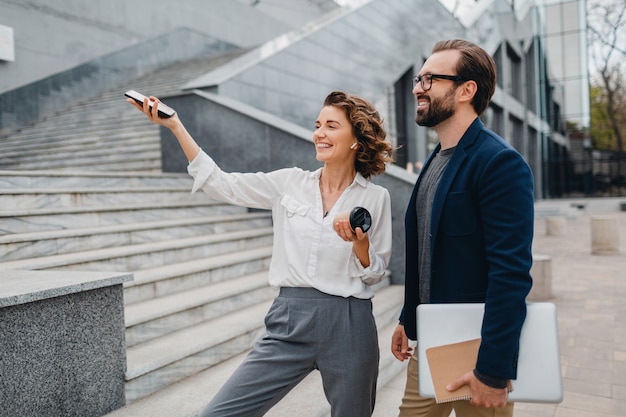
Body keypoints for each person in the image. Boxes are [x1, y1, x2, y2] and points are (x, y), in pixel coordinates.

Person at [128, 90, 394, 417]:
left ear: (356, 139)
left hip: (350, 326)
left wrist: (360, 245)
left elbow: (376, 272)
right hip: (290, 320)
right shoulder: (288, 182)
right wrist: (175, 126)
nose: (319, 133)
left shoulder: (376, 198)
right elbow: (222, 184)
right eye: (317, 125)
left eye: (331, 126)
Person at [391, 39, 534, 417]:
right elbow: (428, 251)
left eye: (429, 79)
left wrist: (493, 369)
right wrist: (409, 318)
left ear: (466, 90)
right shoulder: (436, 159)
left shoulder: (500, 163)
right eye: (419, 78)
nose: (417, 87)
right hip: (431, 343)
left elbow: (511, 273)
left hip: (477, 354)